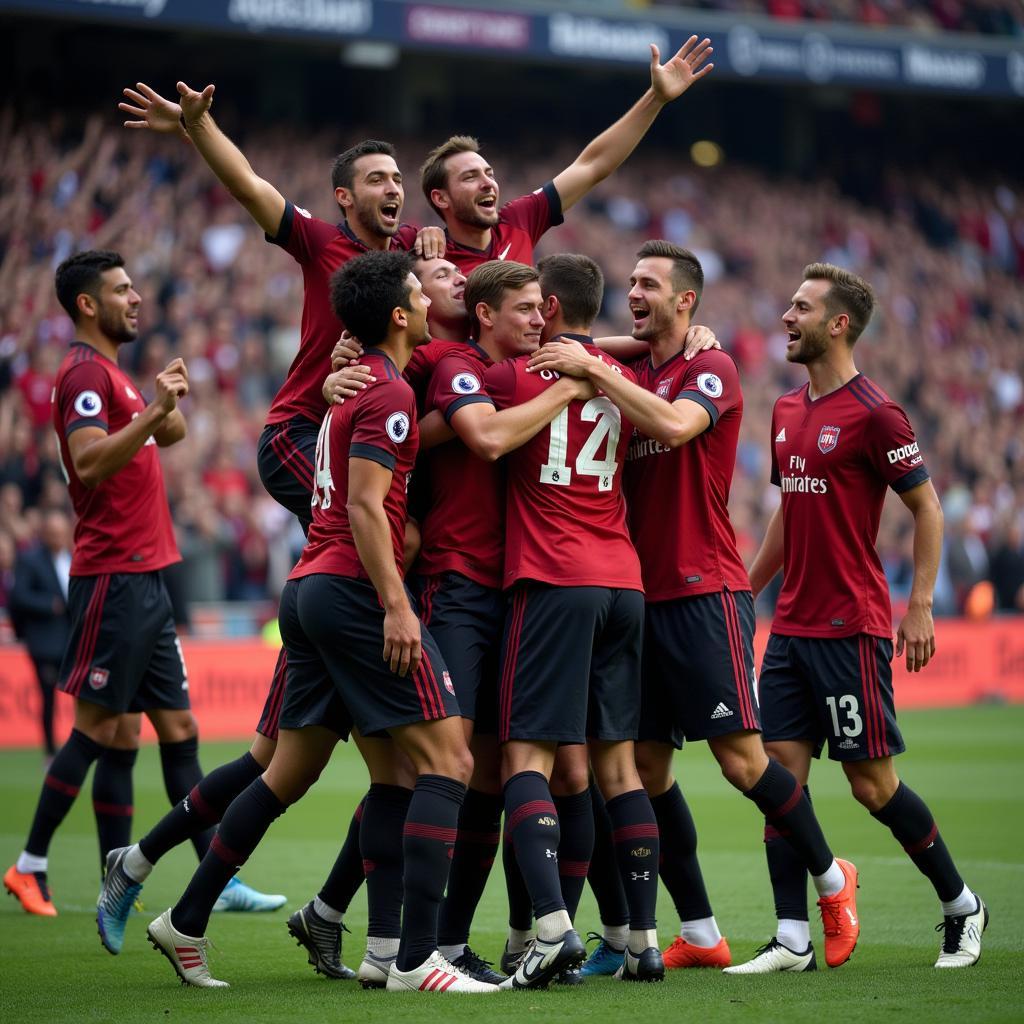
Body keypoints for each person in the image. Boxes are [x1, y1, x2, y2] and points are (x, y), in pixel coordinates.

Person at [145, 250, 495, 994]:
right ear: (400, 315)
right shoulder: (390, 393)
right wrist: (396, 605)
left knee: (307, 770)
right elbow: (368, 508)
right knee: (450, 762)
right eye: (418, 293)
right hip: (352, 593)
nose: (432, 301)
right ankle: (418, 960)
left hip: (308, 588)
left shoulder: (351, 389)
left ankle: (187, 919)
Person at [527, 243, 860, 976]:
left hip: (703, 590)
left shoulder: (711, 369)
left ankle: (834, 880)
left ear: (685, 301)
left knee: (744, 763)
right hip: (638, 598)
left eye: (649, 284)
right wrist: (599, 361)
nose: (634, 291)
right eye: (632, 282)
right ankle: (703, 932)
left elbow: (676, 427)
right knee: (644, 771)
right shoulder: (634, 366)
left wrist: (595, 368)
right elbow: (585, 350)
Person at [743, 262, 986, 970]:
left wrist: (921, 607)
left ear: (838, 323)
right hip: (789, 627)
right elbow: (789, 515)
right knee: (777, 781)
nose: (787, 317)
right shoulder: (787, 409)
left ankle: (962, 905)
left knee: (871, 786)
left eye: (801, 307)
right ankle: (792, 936)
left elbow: (927, 506)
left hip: (851, 626)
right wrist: (744, 588)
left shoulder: (877, 413)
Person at [2, 251, 206, 920]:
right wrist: (149, 413)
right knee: (97, 730)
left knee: (165, 729)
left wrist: (161, 401)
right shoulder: (85, 375)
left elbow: (167, 432)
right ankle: (30, 864)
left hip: (146, 573)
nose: (136, 297)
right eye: (121, 289)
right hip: (114, 574)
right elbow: (89, 463)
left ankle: (157, 879)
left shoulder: (114, 375)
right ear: (88, 304)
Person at [479, 253, 663, 988]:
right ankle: (644, 941)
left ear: (546, 308)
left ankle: (551, 930)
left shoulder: (514, 377)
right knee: (614, 767)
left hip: (553, 580)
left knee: (525, 760)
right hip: (626, 584)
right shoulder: (629, 384)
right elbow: (634, 352)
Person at [417, 35, 713, 273]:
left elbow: (594, 164)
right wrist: (420, 237)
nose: (487, 183)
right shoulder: (425, 258)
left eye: (489, 174)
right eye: (470, 177)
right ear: (441, 198)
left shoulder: (518, 221)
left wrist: (656, 99)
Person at [9, 509, 73, 759]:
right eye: (52, 533)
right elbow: (18, 596)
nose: (57, 537)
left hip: (72, 640)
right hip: (44, 642)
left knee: (84, 696)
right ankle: (49, 750)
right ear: (44, 534)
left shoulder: (73, 557)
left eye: (60, 533)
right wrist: (50, 604)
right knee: (48, 697)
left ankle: (82, 747)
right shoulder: (30, 560)